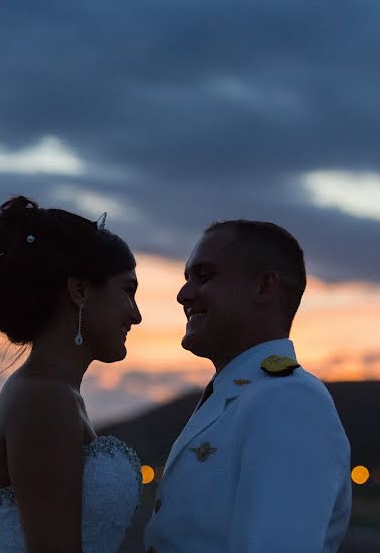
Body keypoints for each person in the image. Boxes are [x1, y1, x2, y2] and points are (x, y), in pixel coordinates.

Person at [0, 195, 144, 553]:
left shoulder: (54, 393)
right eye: (128, 292)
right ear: (80, 290)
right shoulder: (43, 400)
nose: (136, 315)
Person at [143, 220, 351, 552]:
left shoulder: (290, 400)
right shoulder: (238, 396)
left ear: (265, 287)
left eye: (205, 276)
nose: (183, 295)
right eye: (186, 280)